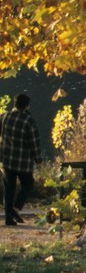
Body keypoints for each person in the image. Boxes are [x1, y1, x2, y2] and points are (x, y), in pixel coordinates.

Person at [2, 93, 41, 226]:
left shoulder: (5, 117)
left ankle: (8, 218)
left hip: (7, 159)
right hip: (23, 162)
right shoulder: (28, 120)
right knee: (28, 184)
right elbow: (34, 142)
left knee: (9, 189)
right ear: (27, 106)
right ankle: (16, 208)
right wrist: (38, 158)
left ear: (14, 104)